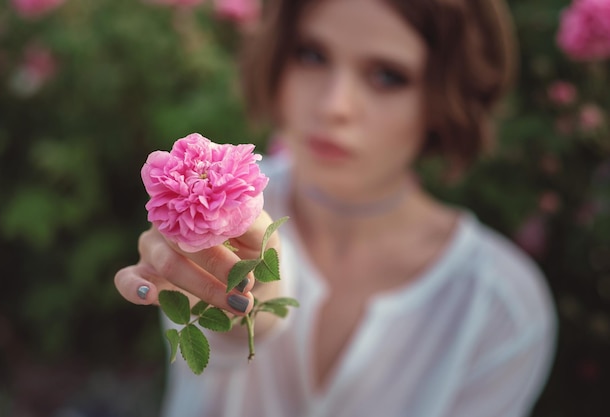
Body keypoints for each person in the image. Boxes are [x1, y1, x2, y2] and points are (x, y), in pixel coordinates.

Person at [114, 0, 557, 415]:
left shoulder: (499, 306)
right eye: (311, 55)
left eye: (387, 76)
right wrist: (246, 303)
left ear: (444, 100)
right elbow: (230, 333)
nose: (333, 106)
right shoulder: (215, 202)